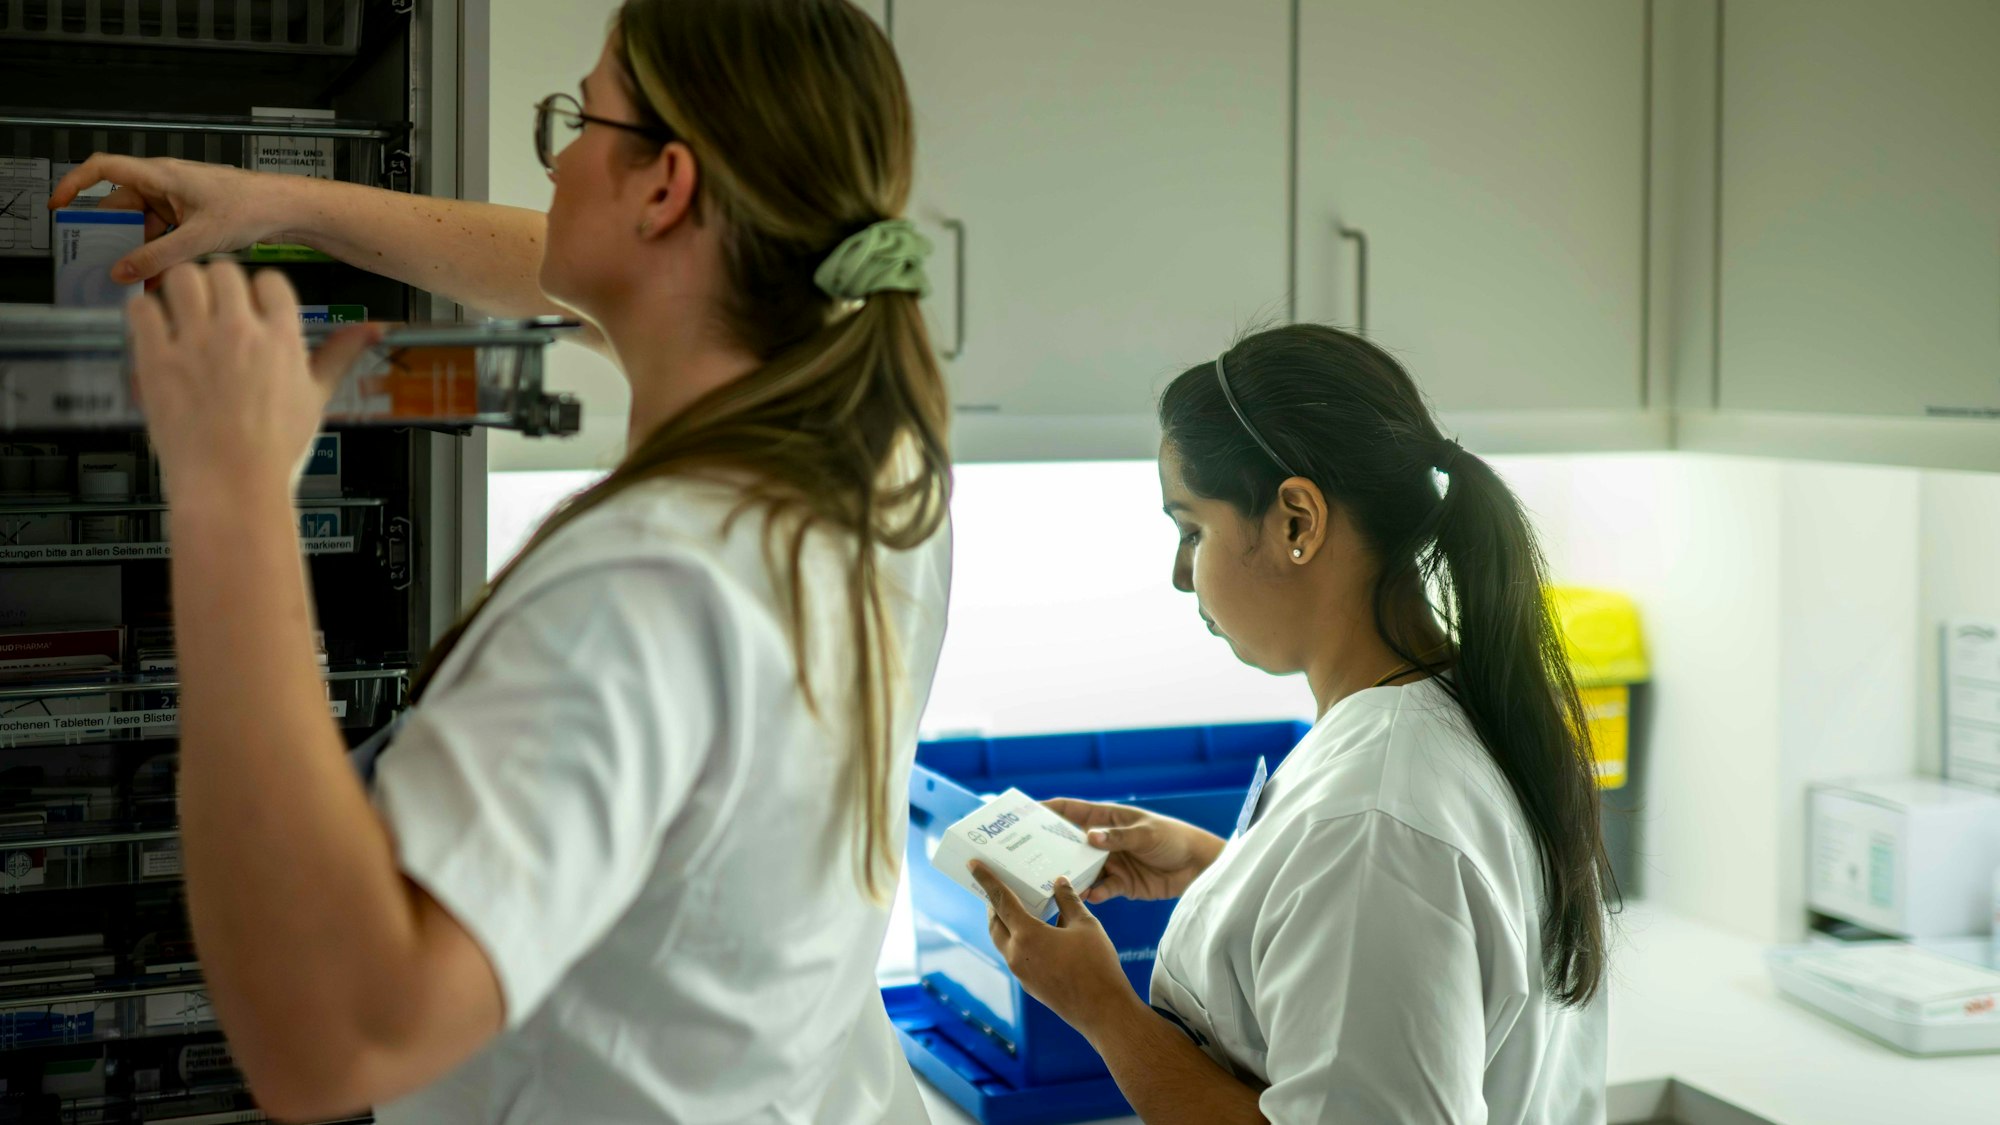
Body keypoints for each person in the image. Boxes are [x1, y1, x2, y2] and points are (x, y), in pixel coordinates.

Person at [51, 1, 950, 1121]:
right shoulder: (877, 455)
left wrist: (232, 498)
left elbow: (334, 1036)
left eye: (579, 123)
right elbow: (568, 260)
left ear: (665, 188)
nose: (561, 160)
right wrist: (277, 204)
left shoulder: (648, 580)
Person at [968, 323, 1612, 1123]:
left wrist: (1102, 1007)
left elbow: (1371, 879)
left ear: (1297, 521)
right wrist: (1219, 870)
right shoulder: (1455, 709)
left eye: (1192, 528)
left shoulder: (1373, 821)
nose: (1179, 573)